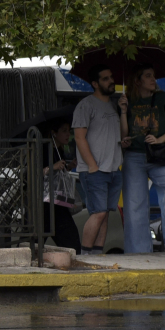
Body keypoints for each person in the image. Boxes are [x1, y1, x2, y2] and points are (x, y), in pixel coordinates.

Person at [120, 63, 165, 253]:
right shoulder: (128, 101)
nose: (153, 79)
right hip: (134, 156)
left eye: (153, 76)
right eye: (148, 76)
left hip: (158, 155)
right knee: (135, 206)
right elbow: (123, 134)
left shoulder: (163, 99)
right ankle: (138, 252)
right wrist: (124, 112)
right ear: (137, 80)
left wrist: (159, 139)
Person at [72, 63, 128, 255]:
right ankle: (85, 255)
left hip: (113, 170)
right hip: (94, 171)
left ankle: (98, 255)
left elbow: (122, 135)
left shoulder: (113, 105)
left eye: (111, 77)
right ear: (95, 83)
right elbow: (79, 137)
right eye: (106, 78)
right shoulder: (85, 105)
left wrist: (123, 111)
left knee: (105, 215)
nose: (111, 81)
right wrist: (92, 165)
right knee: (98, 213)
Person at [42, 120, 81, 253]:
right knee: (34, 245)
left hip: (58, 204)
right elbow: (36, 173)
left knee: (72, 243)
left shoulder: (59, 151)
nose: (67, 135)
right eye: (64, 131)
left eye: (68, 131)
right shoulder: (43, 149)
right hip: (44, 206)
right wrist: (53, 167)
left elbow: (58, 178)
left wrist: (68, 167)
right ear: (54, 133)